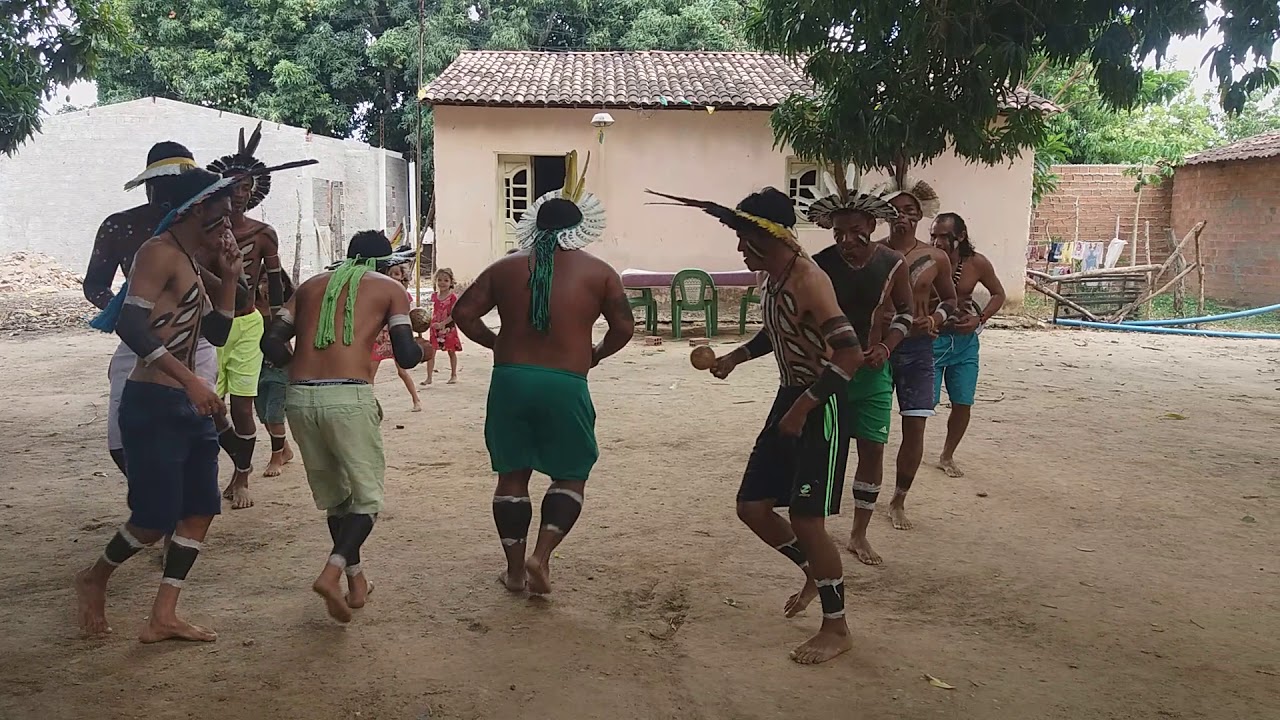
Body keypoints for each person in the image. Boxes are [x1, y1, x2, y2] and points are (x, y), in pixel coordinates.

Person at [649, 185, 862, 665]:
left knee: (808, 520)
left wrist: (804, 407)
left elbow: (848, 354)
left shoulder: (810, 279)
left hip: (821, 403)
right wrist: (735, 357)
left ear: (774, 239)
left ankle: (837, 625)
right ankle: (812, 570)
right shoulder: (776, 277)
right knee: (753, 507)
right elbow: (778, 329)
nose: (740, 248)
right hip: (793, 397)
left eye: (747, 240)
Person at [451, 151, 633, 597]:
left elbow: (463, 313)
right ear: (581, 228)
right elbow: (625, 328)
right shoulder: (600, 273)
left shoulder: (505, 267)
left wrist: (498, 344)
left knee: (512, 474)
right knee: (570, 473)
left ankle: (514, 571)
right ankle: (542, 555)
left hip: (511, 379)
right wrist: (595, 354)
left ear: (535, 226)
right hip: (565, 381)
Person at [75, 168, 244, 642]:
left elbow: (217, 333)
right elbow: (130, 323)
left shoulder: (190, 261)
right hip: (153, 400)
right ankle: (95, 577)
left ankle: (163, 614)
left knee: (200, 509)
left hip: (185, 404)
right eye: (222, 217)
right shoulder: (158, 252)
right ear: (195, 210)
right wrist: (190, 381)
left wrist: (228, 281)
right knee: (152, 520)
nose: (228, 229)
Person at [261, 230, 423, 623]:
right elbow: (406, 354)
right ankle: (332, 572)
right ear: (386, 262)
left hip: (299, 397)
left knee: (337, 499)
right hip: (349, 397)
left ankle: (355, 579)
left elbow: (271, 341)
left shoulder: (312, 285)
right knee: (366, 499)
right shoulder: (389, 288)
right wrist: (420, 342)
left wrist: (295, 368)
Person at [85, 143, 218, 479]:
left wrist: (225, 279)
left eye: (177, 184)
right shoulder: (120, 226)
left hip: (194, 343)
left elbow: (232, 296)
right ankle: (154, 501)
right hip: (137, 340)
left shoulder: (203, 229)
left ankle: (171, 508)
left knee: (189, 427)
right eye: (160, 184)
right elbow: (95, 284)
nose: (165, 193)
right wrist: (121, 311)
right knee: (121, 438)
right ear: (148, 184)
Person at [804, 166, 915, 566]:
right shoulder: (818, 265)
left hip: (871, 374)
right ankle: (814, 529)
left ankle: (858, 534)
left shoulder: (892, 263)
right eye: (838, 234)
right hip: (830, 373)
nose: (847, 241)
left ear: (872, 223)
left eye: (855, 231)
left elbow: (906, 313)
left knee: (871, 451)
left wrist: (886, 346)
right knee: (820, 452)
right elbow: (805, 317)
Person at [873, 173, 958, 530]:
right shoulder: (874, 253)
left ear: (920, 215)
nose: (902, 216)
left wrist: (935, 318)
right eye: (895, 210)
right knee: (873, 430)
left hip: (919, 350)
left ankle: (898, 499)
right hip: (880, 348)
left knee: (915, 426)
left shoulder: (935, 256)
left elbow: (952, 300)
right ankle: (867, 496)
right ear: (885, 214)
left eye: (909, 210)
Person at [208, 123, 286, 510]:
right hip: (209, 326)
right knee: (206, 403)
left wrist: (277, 336)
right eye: (230, 186)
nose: (237, 195)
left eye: (244, 187)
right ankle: (207, 476)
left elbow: (276, 287)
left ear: (253, 191)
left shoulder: (264, 234)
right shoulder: (204, 233)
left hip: (248, 323)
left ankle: (241, 476)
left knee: (241, 405)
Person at [929, 212, 1005, 478]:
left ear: (960, 237)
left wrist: (980, 318)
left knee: (963, 401)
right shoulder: (924, 260)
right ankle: (911, 451)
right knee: (924, 402)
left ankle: (947, 455)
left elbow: (999, 293)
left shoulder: (976, 263)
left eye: (944, 237)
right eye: (933, 236)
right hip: (932, 341)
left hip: (965, 345)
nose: (937, 242)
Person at [254, 271, 295, 476]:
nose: (267, 287)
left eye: (273, 282)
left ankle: (276, 457)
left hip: (279, 367)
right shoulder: (248, 307)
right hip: (254, 367)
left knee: (274, 414)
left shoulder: (286, 310)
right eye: (263, 281)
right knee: (263, 415)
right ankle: (285, 450)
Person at [370, 259, 423, 411]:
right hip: (382, 337)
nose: (394, 276)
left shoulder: (404, 295)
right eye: (391, 273)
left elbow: (409, 317)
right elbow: (377, 316)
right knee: (371, 373)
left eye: (397, 274)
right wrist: (378, 333)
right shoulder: (380, 296)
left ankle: (416, 400)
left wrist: (416, 335)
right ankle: (369, 403)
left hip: (398, 337)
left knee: (402, 371)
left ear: (402, 276)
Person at [423, 267, 462, 385]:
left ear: (451, 282)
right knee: (431, 352)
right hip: (435, 328)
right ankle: (429, 377)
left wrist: (443, 323)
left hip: (448, 328)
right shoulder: (434, 296)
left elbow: (454, 314)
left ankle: (454, 375)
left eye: (446, 280)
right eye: (439, 280)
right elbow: (433, 311)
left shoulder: (452, 297)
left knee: (451, 351)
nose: (442, 283)